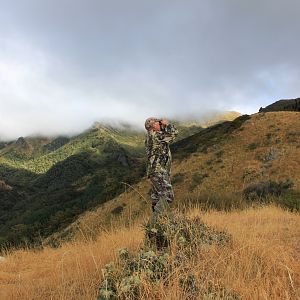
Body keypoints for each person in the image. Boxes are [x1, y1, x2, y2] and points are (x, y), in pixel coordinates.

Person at [144, 117, 178, 215]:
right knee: (168, 196)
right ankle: (155, 221)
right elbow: (174, 133)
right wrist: (167, 125)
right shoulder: (157, 136)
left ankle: (156, 224)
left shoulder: (149, 137)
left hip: (153, 172)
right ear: (153, 125)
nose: (160, 124)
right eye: (158, 123)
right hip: (159, 170)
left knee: (157, 197)